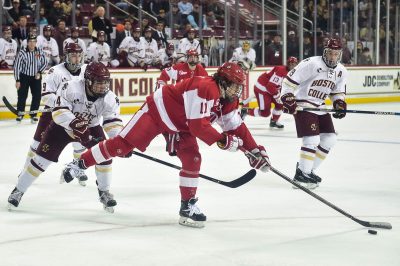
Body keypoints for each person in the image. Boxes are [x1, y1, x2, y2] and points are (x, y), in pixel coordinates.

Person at [61, 62, 271, 228]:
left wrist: (254, 150)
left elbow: (237, 127)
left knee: (193, 159)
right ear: (224, 82)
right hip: (158, 111)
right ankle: (80, 163)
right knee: (121, 146)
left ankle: (187, 206)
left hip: (181, 125)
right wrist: (223, 141)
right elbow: (199, 127)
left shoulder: (228, 100)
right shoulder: (206, 88)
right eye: (235, 85)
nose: (238, 90)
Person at [7, 62, 123, 213]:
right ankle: (18, 190)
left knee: (105, 157)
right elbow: (58, 112)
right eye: (99, 83)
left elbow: (112, 122)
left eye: (105, 82)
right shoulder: (70, 87)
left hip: (91, 128)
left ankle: (104, 192)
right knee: (40, 161)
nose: (103, 87)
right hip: (61, 128)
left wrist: (120, 142)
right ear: (88, 81)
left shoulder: (110, 98)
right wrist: (75, 123)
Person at [280, 38, 348, 189]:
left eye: (336, 54)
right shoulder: (311, 63)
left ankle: (308, 171)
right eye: (330, 53)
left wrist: (339, 103)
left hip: (320, 106)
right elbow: (288, 82)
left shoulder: (341, 71)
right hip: (303, 104)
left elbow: (337, 92)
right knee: (311, 139)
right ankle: (301, 175)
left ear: (340, 54)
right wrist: (287, 97)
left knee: (330, 139)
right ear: (325, 52)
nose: (332, 57)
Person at [19, 42, 88, 185]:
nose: (77, 59)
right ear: (66, 57)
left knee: (79, 144)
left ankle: (77, 169)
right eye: (73, 55)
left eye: (79, 55)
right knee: (37, 143)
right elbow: (46, 94)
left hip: (76, 114)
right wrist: (62, 104)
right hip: (53, 113)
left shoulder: (85, 71)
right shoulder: (55, 71)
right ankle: (26, 169)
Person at [241, 57, 298, 129]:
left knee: (280, 104)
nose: (293, 66)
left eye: (295, 64)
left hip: (271, 89)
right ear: (288, 64)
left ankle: (274, 121)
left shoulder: (293, 74)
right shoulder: (281, 71)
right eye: (291, 64)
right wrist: (277, 96)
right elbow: (270, 86)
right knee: (265, 113)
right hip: (262, 89)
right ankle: (246, 111)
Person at [13, 33, 47, 123]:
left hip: (36, 77)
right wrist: (17, 80)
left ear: (36, 43)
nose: (32, 43)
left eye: (34, 41)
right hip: (24, 77)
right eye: (30, 42)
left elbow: (45, 63)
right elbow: (17, 67)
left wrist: (40, 72)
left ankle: (33, 115)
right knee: (22, 96)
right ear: (27, 43)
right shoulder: (22, 52)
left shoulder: (40, 51)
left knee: (37, 96)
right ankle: (20, 114)